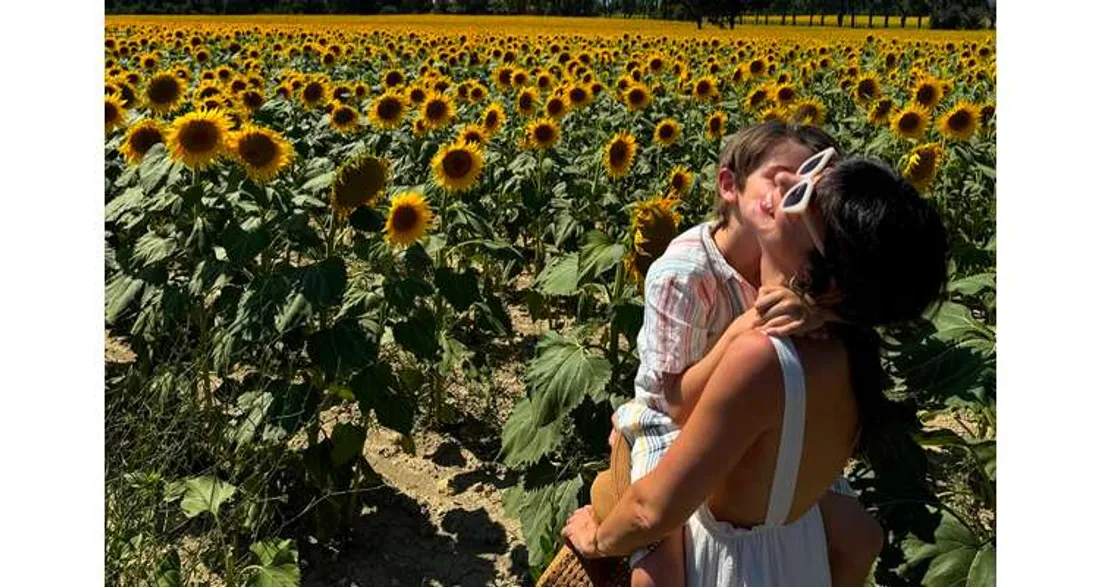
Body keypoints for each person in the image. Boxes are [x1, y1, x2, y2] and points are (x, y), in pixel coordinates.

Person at [561, 151, 948, 586]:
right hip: (798, 556)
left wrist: (596, 539)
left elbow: (651, 510)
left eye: (801, 196)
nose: (784, 183)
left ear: (820, 274)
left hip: (736, 569)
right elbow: (684, 406)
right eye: (807, 172)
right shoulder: (848, 346)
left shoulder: (763, 360)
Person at [606, 122, 883, 587]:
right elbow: (674, 401)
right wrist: (746, 325)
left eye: (810, 190)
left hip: (762, 416)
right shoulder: (684, 274)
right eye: (782, 180)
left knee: (861, 538)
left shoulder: (798, 265)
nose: (798, 196)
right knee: (658, 572)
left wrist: (817, 314)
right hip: (670, 420)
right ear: (729, 185)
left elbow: (849, 314)